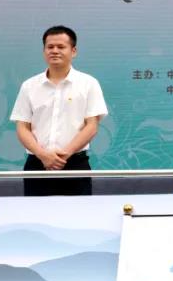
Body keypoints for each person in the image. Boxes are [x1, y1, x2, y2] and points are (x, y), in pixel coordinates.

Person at [10, 26, 108, 196]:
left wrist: (63, 156)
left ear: (73, 51)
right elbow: (22, 127)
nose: (55, 51)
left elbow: (92, 126)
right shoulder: (29, 86)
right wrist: (43, 155)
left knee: (78, 212)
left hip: (75, 164)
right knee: (35, 212)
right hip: (37, 164)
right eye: (50, 47)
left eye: (61, 47)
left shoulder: (88, 83)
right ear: (44, 51)